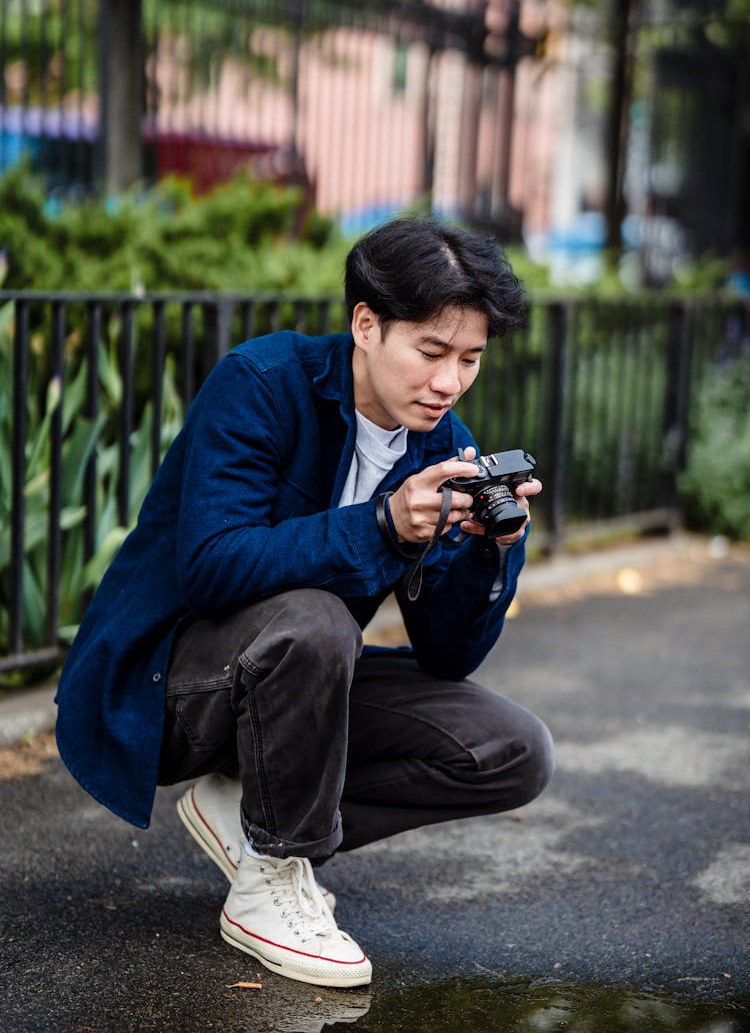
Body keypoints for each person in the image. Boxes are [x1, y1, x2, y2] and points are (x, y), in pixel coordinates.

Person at [56, 217, 554, 989]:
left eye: (470, 358)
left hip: (291, 683)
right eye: (431, 351)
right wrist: (383, 524)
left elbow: (449, 654)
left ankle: (251, 811)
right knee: (321, 622)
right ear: (365, 323)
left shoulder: (440, 444)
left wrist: (493, 550)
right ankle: (272, 877)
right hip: (169, 684)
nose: (450, 381)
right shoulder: (261, 382)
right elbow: (212, 569)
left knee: (512, 748)